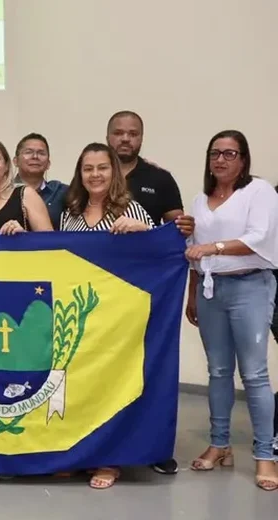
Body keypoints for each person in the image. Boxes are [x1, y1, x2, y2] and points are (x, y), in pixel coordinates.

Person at [184, 130, 278, 491]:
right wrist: (193, 294)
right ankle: (219, 444)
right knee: (219, 371)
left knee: (254, 374)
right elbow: (193, 250)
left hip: (250, 287)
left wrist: (213, 247)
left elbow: (259, 237)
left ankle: (265, 455)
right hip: (211, 290)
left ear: (243, 159)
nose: (221, 160)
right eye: (215, 153)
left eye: (230, 153)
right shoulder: (200, 199)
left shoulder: (259, 192)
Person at [60, 142, 155, 489]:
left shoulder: (130, 208)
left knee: (109, 387)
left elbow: (160, 246)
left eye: (102, 167)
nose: (95, 174)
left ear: (114, 171)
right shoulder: (70, 211)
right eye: (88, 168)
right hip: (82, 313)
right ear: (79, 173)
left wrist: (141, 230)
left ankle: (109, 459)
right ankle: (80, 454)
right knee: (81, 384)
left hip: (117, 318)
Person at [106, 110, 193, 475]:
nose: (125, 139)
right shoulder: (95, 173)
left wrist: (179, 226)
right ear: (108, 136)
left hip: (147, 294)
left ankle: (156, 447)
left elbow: (179, 229)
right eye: (119, 133)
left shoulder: (159, 178)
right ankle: (103, 445)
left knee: (152, 367)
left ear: (141, 137)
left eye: (133, 133)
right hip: (103, 294)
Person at [12, 133, 67, 229]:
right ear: (15, 161)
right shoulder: (4, 193)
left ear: (48, 164)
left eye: (41, 153)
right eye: (28, 152)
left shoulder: (60, 192)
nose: (35, 156)